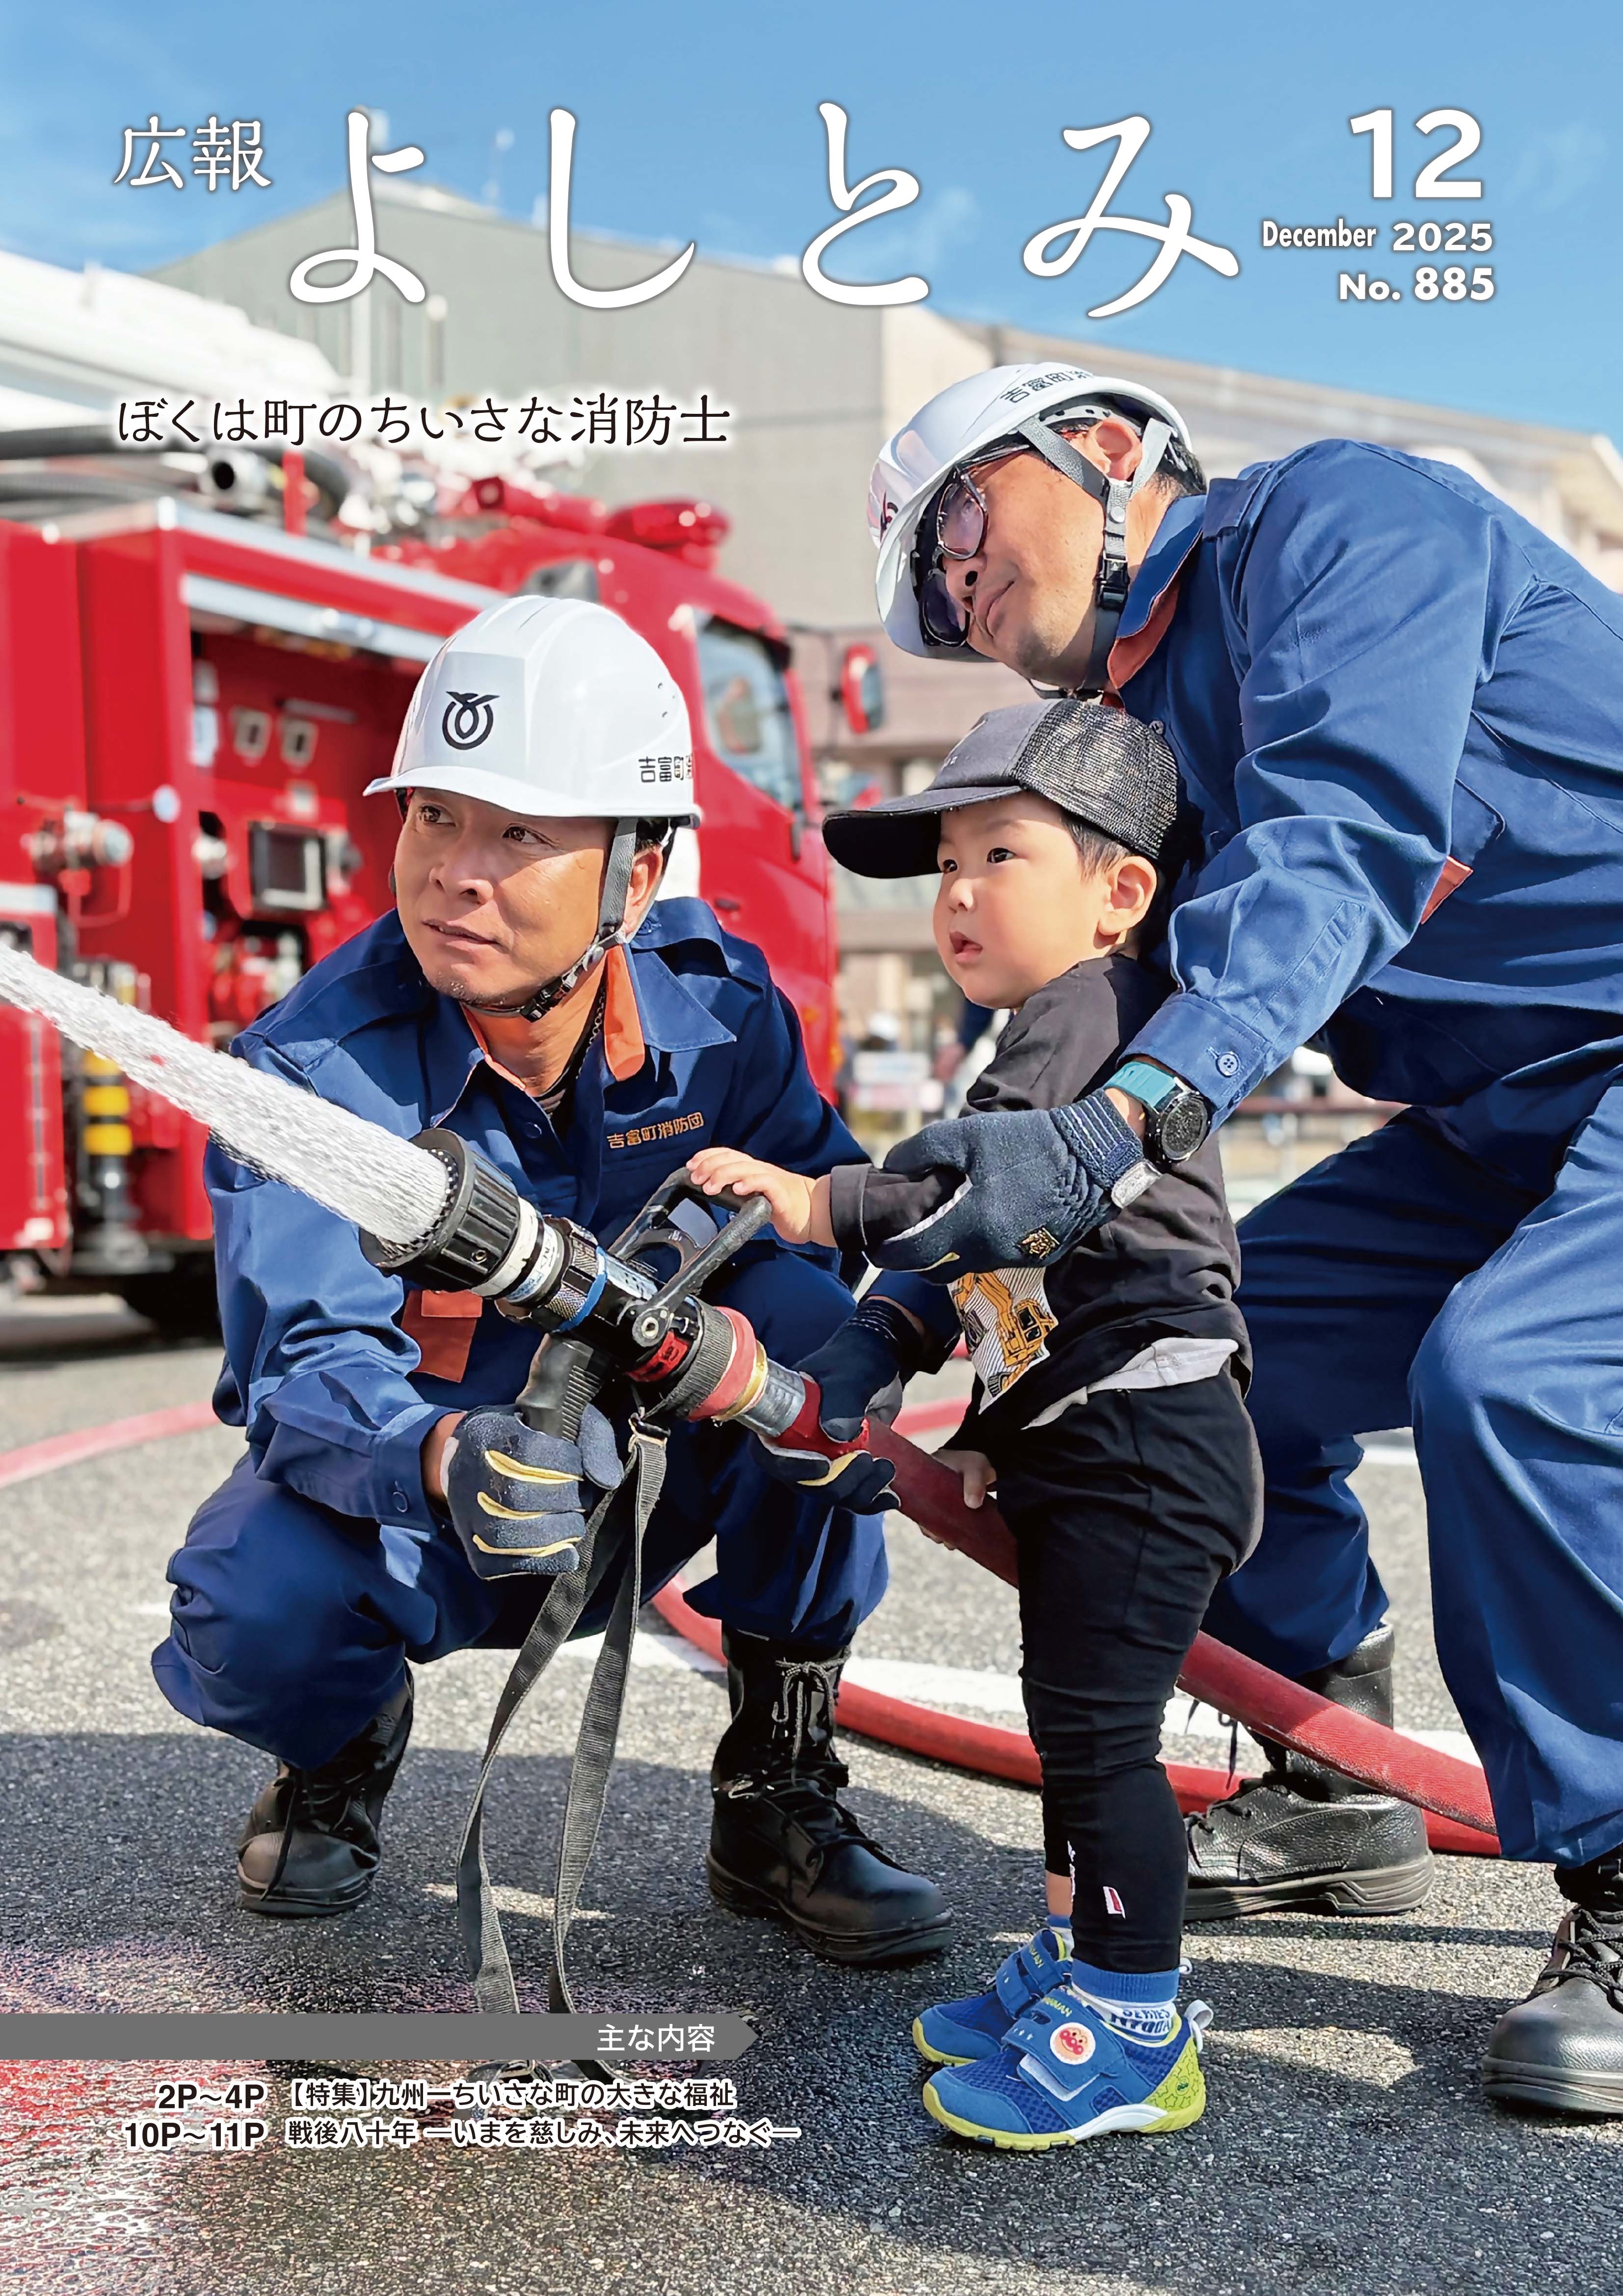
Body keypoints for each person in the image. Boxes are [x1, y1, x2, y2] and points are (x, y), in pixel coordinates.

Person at [834, 357, 1623, 2115]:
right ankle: (1333, 1778)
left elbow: (1338, 838)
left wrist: (1121, 1128)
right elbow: (1103, 1008)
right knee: (1212, 1362)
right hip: (1493, 1117)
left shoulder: (1349, 525)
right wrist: (893, 1287)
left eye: (958, 527)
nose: (959, 596)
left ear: (1107, 450)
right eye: (935, 597)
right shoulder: (1135, 738)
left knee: (1515, 1376)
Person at [149, 594, 951, 1967]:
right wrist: (438, 1456)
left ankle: (775, 1787)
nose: (454, 874)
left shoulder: (724, 1013)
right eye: (434, 817)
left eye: (519, 834)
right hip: (443, 1491)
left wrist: (869, 1341)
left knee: (818, 1358)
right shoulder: (310, 1073)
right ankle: (339, 1746)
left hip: (659, 1466)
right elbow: (302, 1371)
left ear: (637, 877)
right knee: (249, 1600)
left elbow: (819, 1217)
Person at [690, 699, 1260, 2149]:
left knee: (1101, 1741)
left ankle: (1135, 2023)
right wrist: (908, 1363)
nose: (956, 894)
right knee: (1076, 1727)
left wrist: (816, 1203)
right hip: (1102, 1438)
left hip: (1147, 1439)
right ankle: (1077, 1964)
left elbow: (965, 1201)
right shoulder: (1055, 1027)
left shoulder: (1091, 1011)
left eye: (998, 855)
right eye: (945, 865)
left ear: (1118, 893)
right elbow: (990, 1270)